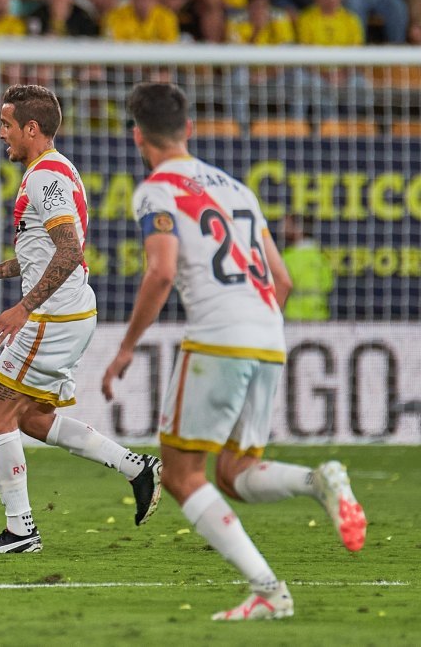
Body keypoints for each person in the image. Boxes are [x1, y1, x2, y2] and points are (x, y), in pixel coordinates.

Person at [101, 82, 367, 621]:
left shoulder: (156, 189)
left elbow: (162, 270)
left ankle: (269, 590)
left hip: (219, 335)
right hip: (269, 334)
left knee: (180, 475)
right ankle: (321, 481)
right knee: (235, 473)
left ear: (137, 137)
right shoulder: (238, 189)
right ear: (190, 129)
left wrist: (126, 347)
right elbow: (283, 279)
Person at [0, 85, 162, 554]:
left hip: (51, 317)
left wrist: (24, 308)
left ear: (31, 129)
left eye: (7, 126)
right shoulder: (51, 172)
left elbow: (70, 251)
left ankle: (21, 531)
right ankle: (136, 468)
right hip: (69, 313)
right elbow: (44, 253)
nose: (3, 135)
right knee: (36, 419)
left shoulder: (46, 178)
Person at [280, 214, 333, 320]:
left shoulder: (288, 257)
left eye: (287, 225)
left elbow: (281, 285)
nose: (282, 230)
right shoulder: (320, 255)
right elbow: (328, 284)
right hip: (319, 317)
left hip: (294, 318)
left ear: (299, 228)